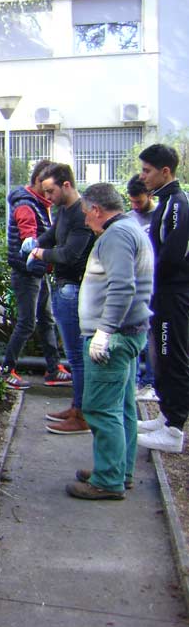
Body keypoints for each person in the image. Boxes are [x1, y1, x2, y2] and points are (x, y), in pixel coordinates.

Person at [67, 183, 153, 500]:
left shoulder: (116, 235)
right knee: (123, 407)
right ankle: (117, 469)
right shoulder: (129, 228)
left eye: (86, 213)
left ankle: (107, 480)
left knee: (101, 409)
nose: (85, 220)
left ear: (96, 210)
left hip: (114, 339)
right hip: (129, 332)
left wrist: (103, 332)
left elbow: (122, 286)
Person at [26, 164, 95, 434]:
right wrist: (34, 241)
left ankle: (82, 415)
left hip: (74, 289)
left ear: (66, 185)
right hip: (63, 286)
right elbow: (53, 234)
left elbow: (69, 254)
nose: (48, 197)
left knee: (77, 357)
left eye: (50, 191)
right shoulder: (65, 210)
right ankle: (77, 407)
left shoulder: (81, 214)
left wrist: (40, 254)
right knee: (74, 355)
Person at [136, 144, 189, 453]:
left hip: (173, 294)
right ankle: (166, 415)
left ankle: (173, 429)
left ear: (165, 171)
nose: (143, 176)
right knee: (162, 357)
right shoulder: (165, 202)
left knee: (172, 356)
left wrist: (148, 276)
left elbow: (171, 256)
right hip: (162, 293)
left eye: (147, 170)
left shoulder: (177, 205)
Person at [0, 160, 71, 390]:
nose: (52, 193)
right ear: (39, 181)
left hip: (38, 272)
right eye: (49, 187)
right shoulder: (26, 205)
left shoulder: (41, 204)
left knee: (47, 320)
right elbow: (28, 238)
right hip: (27, 273)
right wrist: (41, 251)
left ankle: (53, 369)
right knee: (27, 323)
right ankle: (5, 371)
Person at [127, 173, 158, 402]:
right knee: (135, 332)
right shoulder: (129, 219)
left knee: (153, 336)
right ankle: (136, 380)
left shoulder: (160, 217)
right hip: (134, 287)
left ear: (149, 195)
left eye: (139, 201)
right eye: (132, 201)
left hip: (156, 286)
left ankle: (150, 382)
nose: (135, 205)